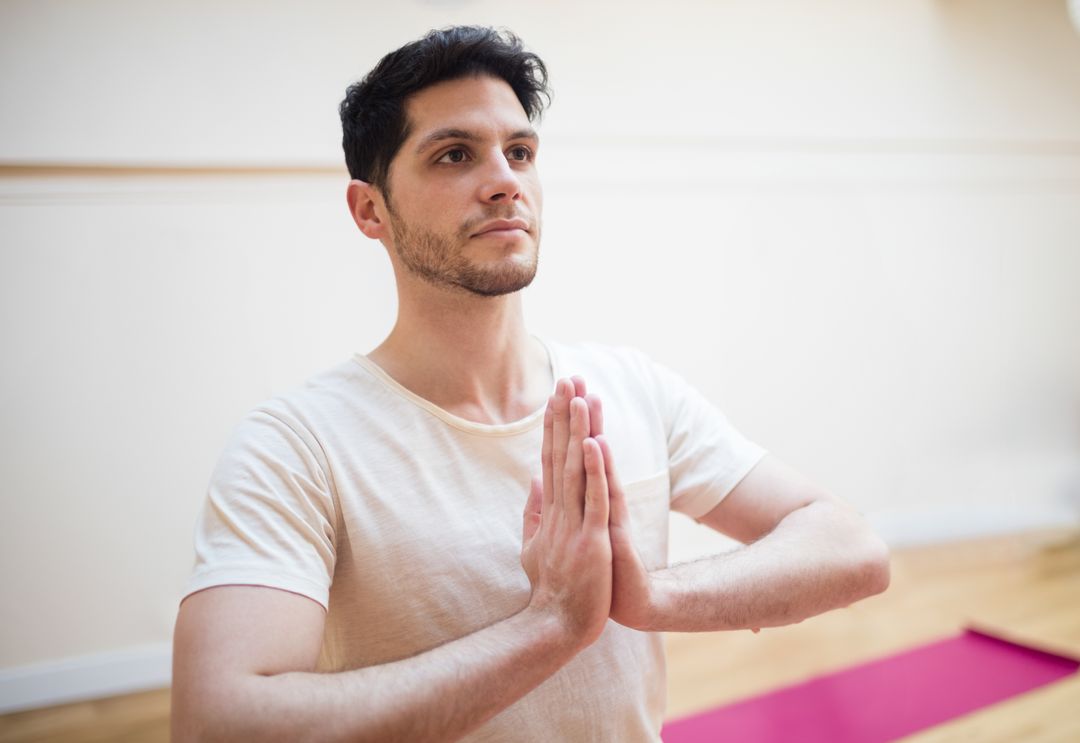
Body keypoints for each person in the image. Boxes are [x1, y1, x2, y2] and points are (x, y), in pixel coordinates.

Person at [171, 25, 890, 742]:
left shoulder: (628, 387)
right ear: (370, 210)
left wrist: (647, 596)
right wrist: (550, 624)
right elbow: (218, 724)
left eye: (519, 152)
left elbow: (851, 548)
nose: (505, 180)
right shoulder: (296, 445)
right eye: (455, 154)